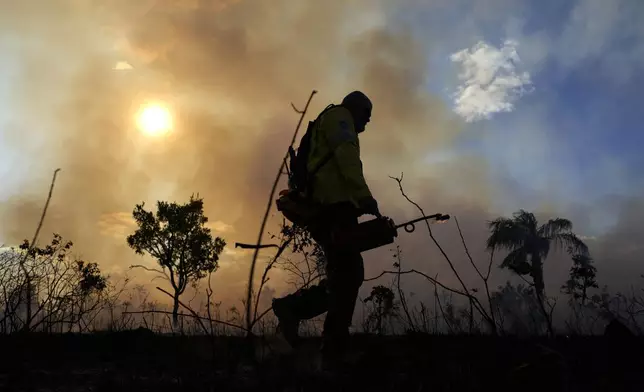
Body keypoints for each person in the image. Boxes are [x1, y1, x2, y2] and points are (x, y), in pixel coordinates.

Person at [272, 90, 381, 370]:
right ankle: (331, 347)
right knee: (349, 272)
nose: (367, 124)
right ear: (355, 109)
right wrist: (364, 196)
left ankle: (308, 323)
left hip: (330, 208)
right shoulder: (340, 118)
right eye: (366, 116)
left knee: (344, 274)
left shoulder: (330, 119)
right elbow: (346, 157)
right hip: (332, 208)